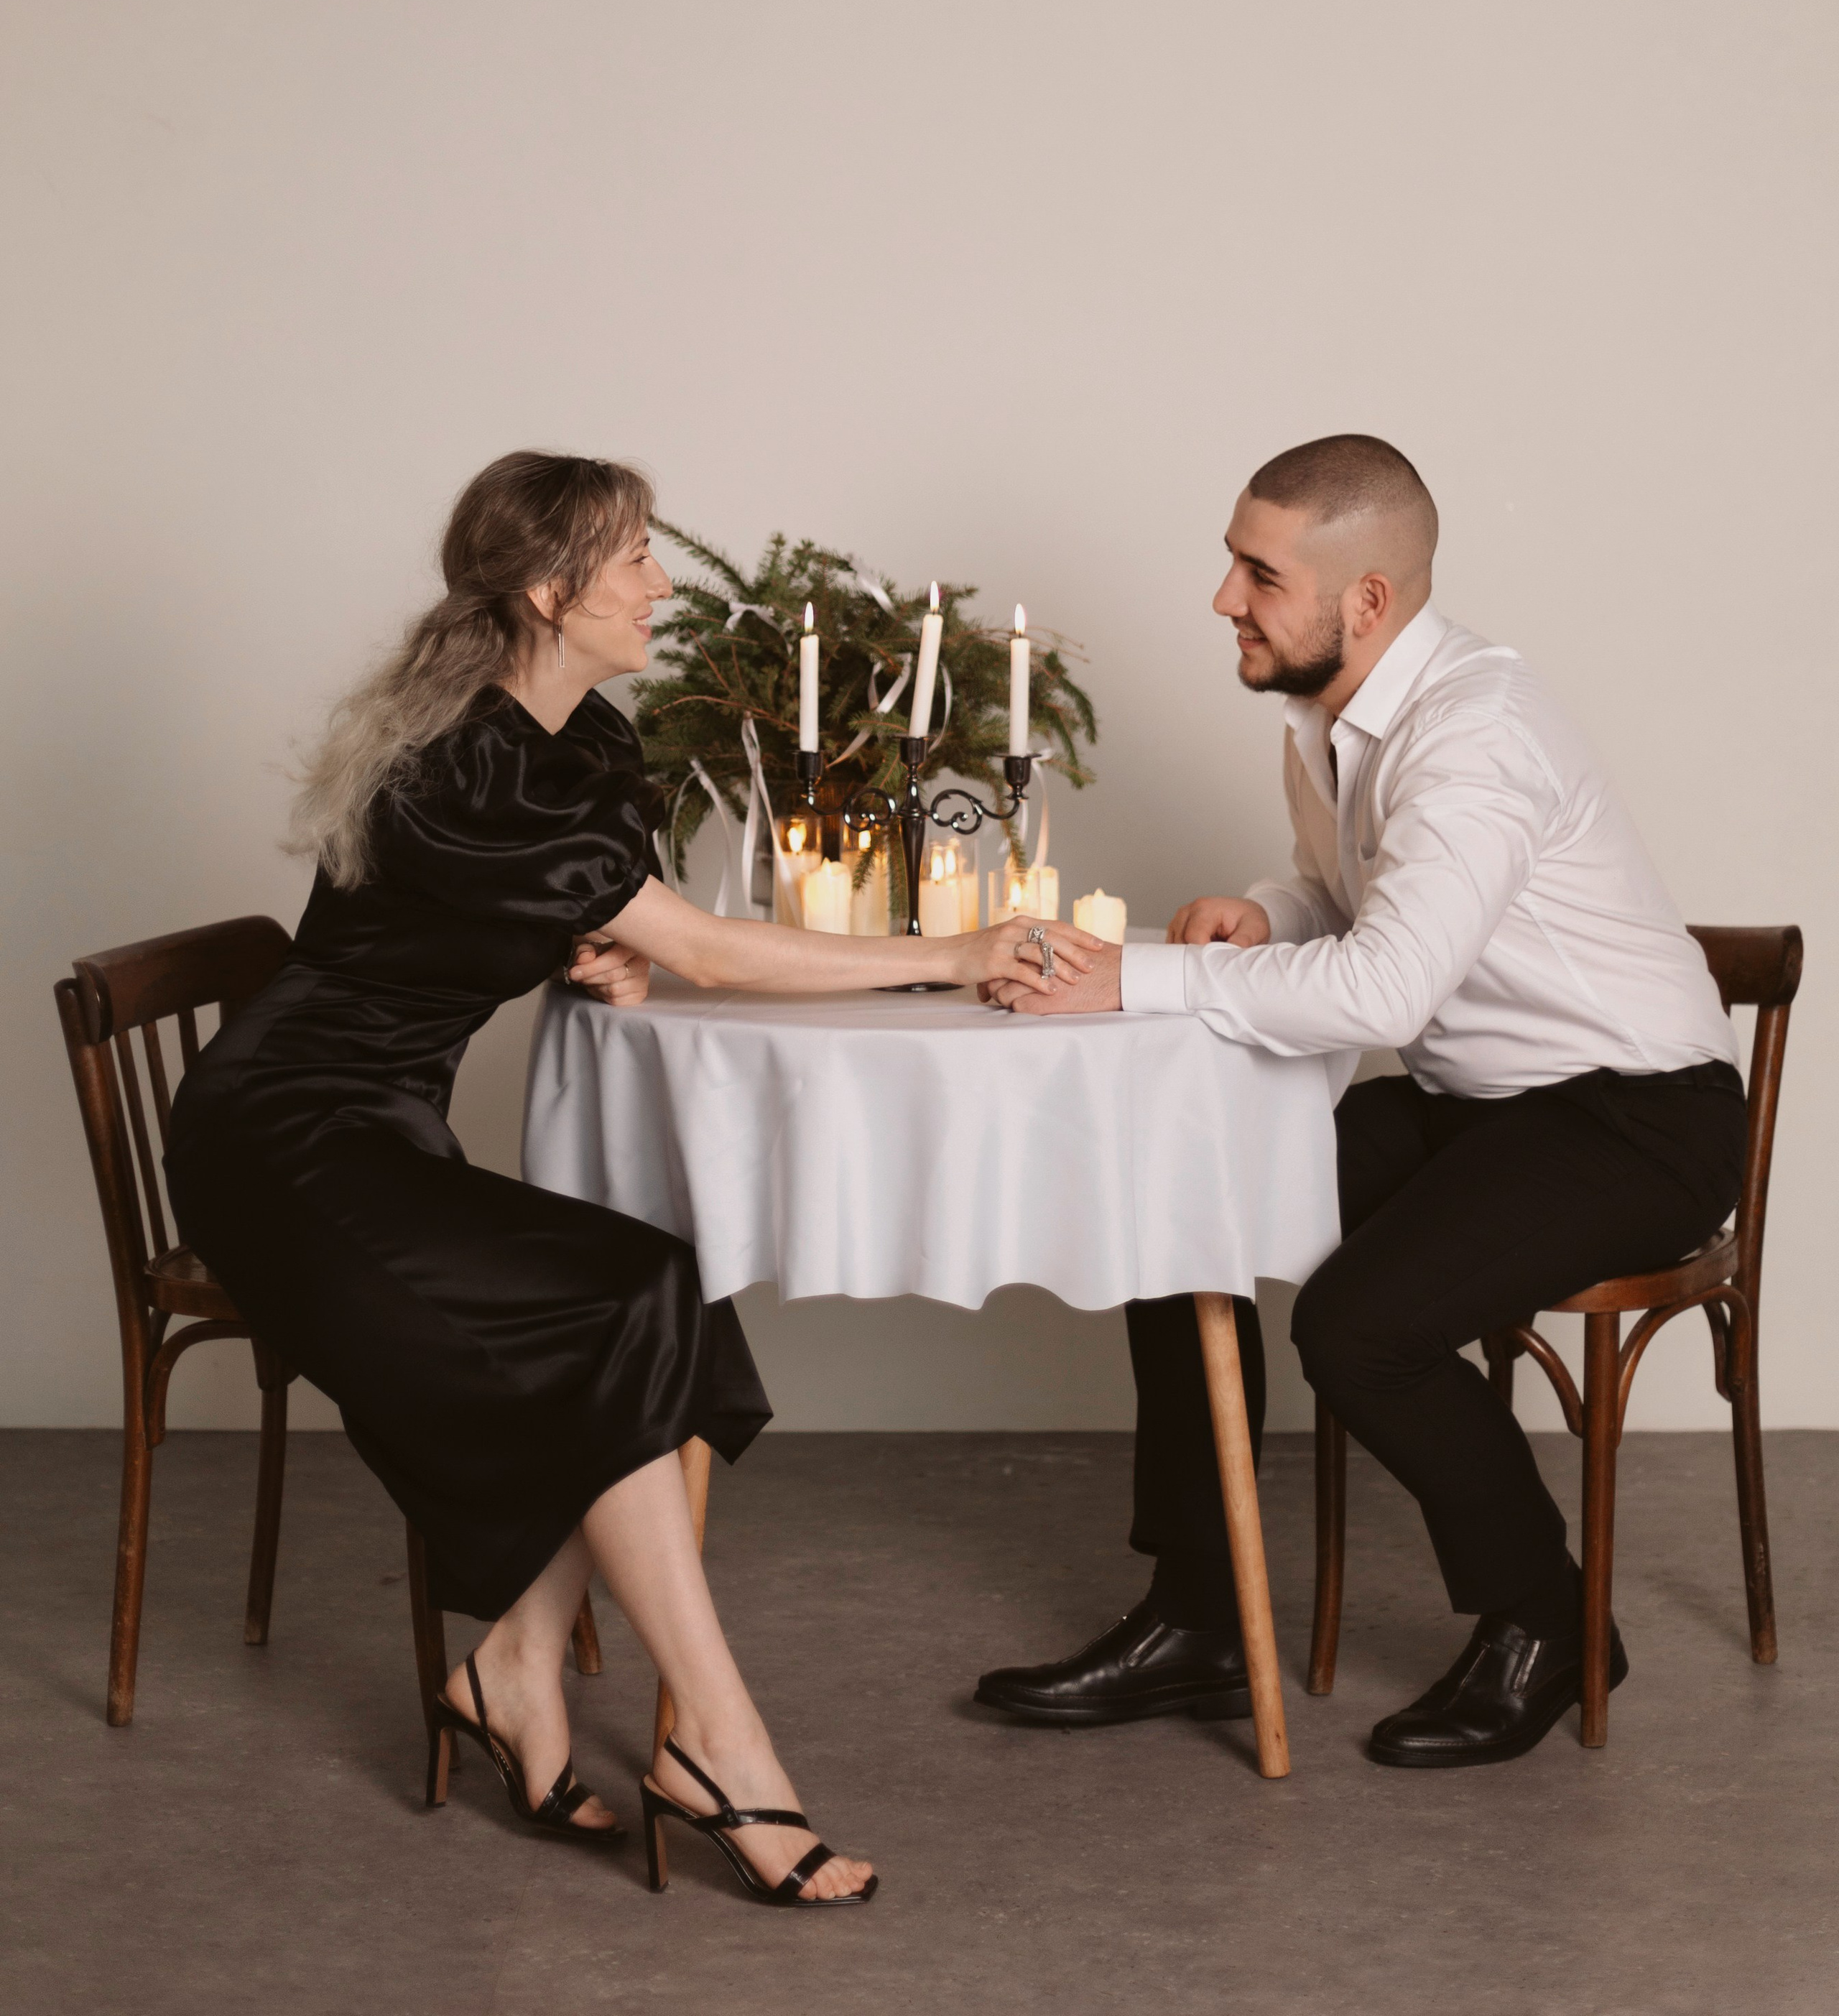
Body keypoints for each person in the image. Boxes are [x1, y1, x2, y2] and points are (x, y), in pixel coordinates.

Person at [167, 449, 1090, 1902]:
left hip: (381, 1129)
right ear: (551, 589)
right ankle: (716, 1741)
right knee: (627, 1297)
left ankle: (521, 1671)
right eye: (638, 559)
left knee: (655, 1291)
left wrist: (596, 949)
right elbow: (707, 944)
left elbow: (607, 923)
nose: (664, 584)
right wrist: (950, 951)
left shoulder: (580, 741)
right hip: (282, 1145)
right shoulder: (456, 759)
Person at [974, 433, 1743, 1767]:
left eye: (1258, 574)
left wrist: (1132, 982)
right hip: (1485, 1106)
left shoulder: (1475, 732)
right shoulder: (1334, 718)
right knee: (1176, 1212)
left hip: (1636, 1118)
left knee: (1359, 1327)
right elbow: (1352, 901)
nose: (1224, 597)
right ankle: (1201, 1618)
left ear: (1367, 600)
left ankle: (1547, 1618)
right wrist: (1264, 910)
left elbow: (1386, 991)